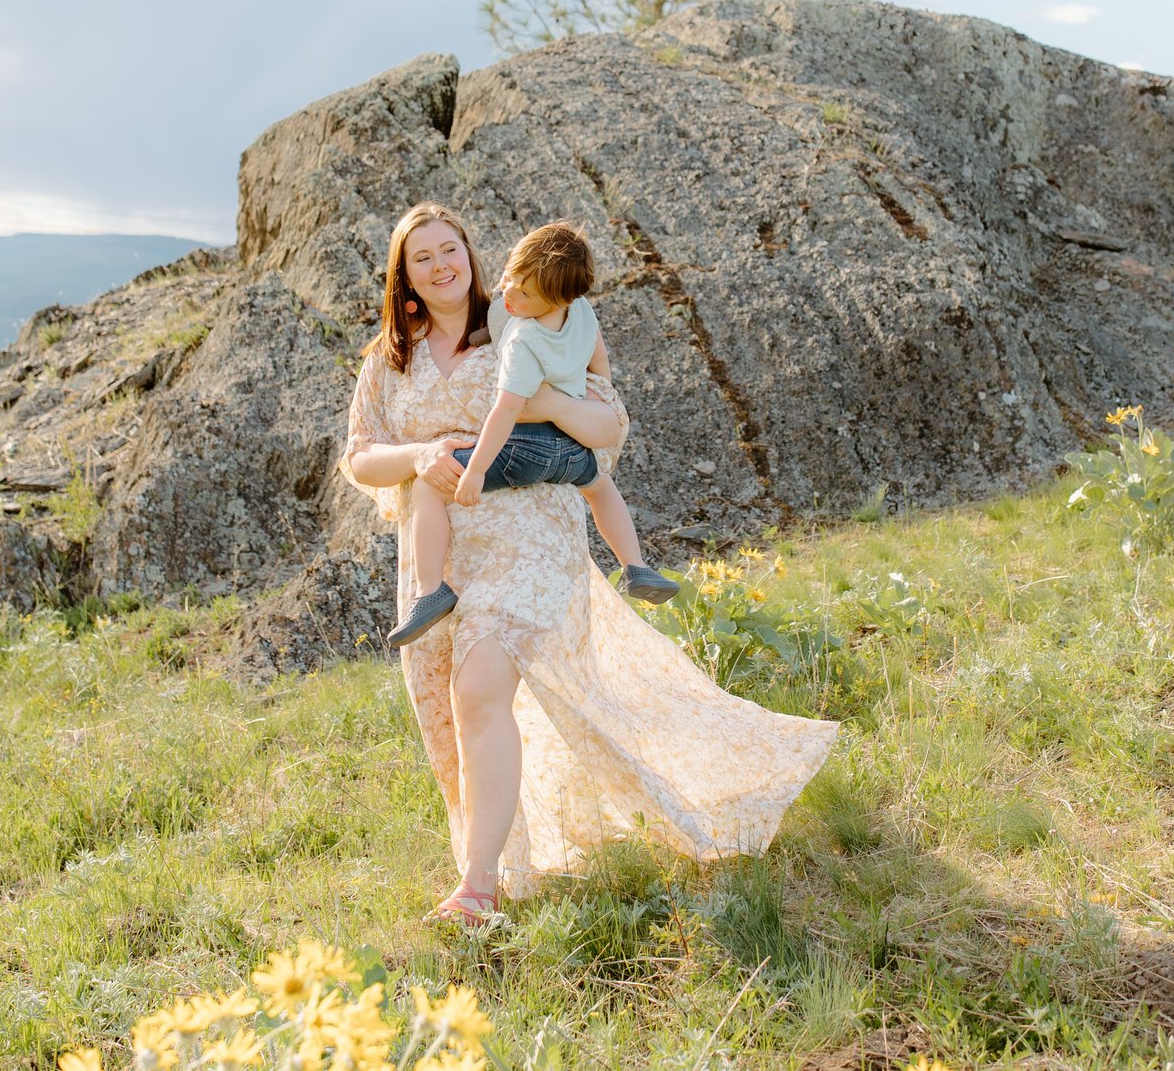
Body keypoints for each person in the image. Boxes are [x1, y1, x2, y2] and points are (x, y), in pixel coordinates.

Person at [340, 202, 839, 926]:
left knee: (479, 686)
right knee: (455, 711)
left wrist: (536, 403)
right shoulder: (390, 358)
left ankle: (478, 890)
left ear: (473, 255)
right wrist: (420, 455)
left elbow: (608, 422)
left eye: (453, 248)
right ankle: (498, 864)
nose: (443, 263)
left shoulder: (528, 318)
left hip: (529, 534)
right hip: (437, 550)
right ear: (404, 276)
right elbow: (358, 456)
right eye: (424, 257)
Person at [386, 219, 678, 651]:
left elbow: (506, 413)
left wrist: (475, 472)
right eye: (511, 281)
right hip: (575, 454)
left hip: (530, 447)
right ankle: (635, 566)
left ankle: (430, 590)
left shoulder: (522, 341)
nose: (510, 295)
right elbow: (600, 365)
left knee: (430, 486)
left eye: (523, 293)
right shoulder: (579, 311)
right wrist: (587, 387)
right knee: (599, 487)